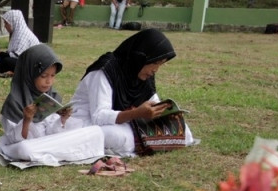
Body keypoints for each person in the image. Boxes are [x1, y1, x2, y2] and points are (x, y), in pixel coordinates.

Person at [70, 29, 195, 157]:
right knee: (115, 136)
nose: (155, 70)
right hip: (88, 123)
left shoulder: (142, 72)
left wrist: (162, 112)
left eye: (160, 64)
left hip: (127, 123)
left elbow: (153, 102)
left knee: (185, 131)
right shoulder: (104, 70)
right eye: (154, 63)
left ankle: (139, 143)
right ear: (140, 56)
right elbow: (99, 117)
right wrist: (136, 113)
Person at [0, 44, 105, 167]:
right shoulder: (14, 102)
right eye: (43, 76)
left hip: (49, 143)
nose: (49, 81)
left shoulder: (51, 96)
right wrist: (26, 120)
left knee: (96, 132)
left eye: (52, 76)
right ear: (29, 74)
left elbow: (52, 132)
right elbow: (14, 139)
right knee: (25, 149)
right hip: (28, 145)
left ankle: (54, 153)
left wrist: (62, 119)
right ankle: (65, 152)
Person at [0, 9, 39, 74]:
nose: (5, 26)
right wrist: (0, 54)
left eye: (6, 23)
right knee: (3, 60)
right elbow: (13, 54)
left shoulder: (22, 34)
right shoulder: (17, 32)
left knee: (6, 61)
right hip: (25, 62)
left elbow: (16, 56)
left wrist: (0, 54)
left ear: (13, 22)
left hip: (31, 65)